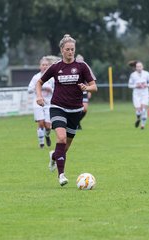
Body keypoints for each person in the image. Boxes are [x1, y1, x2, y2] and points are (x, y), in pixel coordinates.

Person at [36, 34, 97, 186]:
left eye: (72, 49)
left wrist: (86, 87)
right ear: (62, 50)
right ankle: (61, 175)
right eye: (68, 49)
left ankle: (54, 156)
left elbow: (94, 86)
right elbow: (39, 82)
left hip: (76, 110)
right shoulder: (56, 67)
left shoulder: (82, 66)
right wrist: (39, 96)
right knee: (61, 139)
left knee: (65, 147)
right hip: (58, 107)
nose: (70, 52)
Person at [28, 56, 59, 149]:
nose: (45, 66)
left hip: (49, 104)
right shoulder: (36, 77)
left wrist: (50, 89)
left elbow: (57, 91)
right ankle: (41, 144)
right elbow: (29, 89)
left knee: (48, 126)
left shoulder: (52, 78)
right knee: (41, 123)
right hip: (37, 102)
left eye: (46, 65)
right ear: (40, 66)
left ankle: (47, 136)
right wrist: (39, 88)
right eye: (43, 65)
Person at [128, 61, 149, 130]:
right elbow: (129, 85)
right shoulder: (133, 75)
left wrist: (146, 85)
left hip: (145, 94)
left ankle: (142, 125)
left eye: (140, 66)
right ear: (135, 68)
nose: (139, 68)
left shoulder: (146, 73)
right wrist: (136, 85)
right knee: (138, 110)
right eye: (137, 67)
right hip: (136, 94)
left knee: (143, 109)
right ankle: (138, 118)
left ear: (142, 67)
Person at [75, 54, 91, 130]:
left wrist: (89, 91)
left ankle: (77, 122)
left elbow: (89, 81)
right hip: (74, 92)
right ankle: (75, 123)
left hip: (84, 91)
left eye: (82, 60)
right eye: (79, 60)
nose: (80, 61)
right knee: (75, 109)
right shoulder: (73, 68)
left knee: (85, 109)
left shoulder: (85, 68)